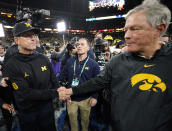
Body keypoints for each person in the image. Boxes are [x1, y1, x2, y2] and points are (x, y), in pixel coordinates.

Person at [58, 0, 172, 131]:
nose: (127, 36)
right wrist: (70, 91)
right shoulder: (117, 61)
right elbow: (96, 82)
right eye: (126, 30)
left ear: (159, 30)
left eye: (135, 29)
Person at [1, 21, 60, 131]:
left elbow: (54, 80)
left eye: (33, 35)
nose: (33, 38)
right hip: (27, 112)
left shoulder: (44, 58)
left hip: (47, 108)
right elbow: (26, 93)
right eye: (27, 36)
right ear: (16, 40)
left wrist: (61, 90)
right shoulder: (12, 64)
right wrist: (56, 93)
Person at [59, 38, 100, 131]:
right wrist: (64, 92)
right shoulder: (70, 62)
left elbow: (97, 83)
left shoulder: (94, 64)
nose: (79, 46)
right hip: (71, 99)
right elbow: (61, 77)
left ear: (88, 48)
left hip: (86, 99)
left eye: (82, 44)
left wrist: (95, 96)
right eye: (77, 44)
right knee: (73, 124)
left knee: (85, 122)